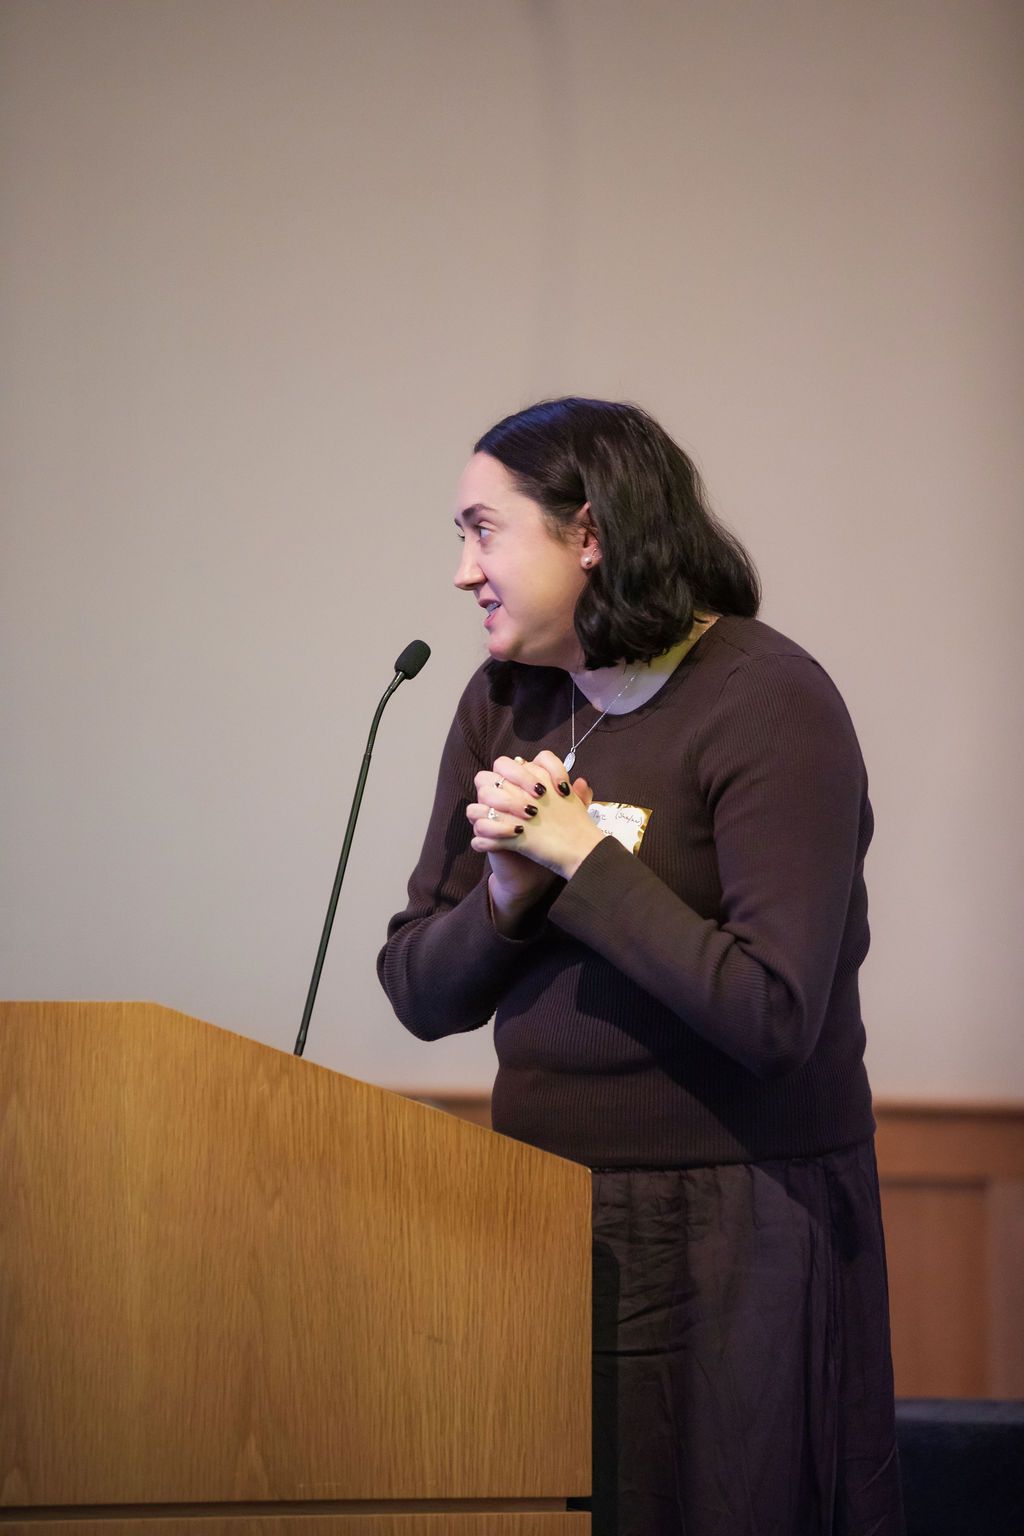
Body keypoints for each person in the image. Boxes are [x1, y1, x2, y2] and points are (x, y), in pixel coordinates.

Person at [377, 397, 904, 1536]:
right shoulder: (503, 699)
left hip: (743, 1222)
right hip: (539, 1205)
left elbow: (771, 1015)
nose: (463, 573)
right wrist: (508, 901)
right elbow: (417, 989)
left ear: (588, 533)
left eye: (483, 531)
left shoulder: (768, 700)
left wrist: (582, 862)